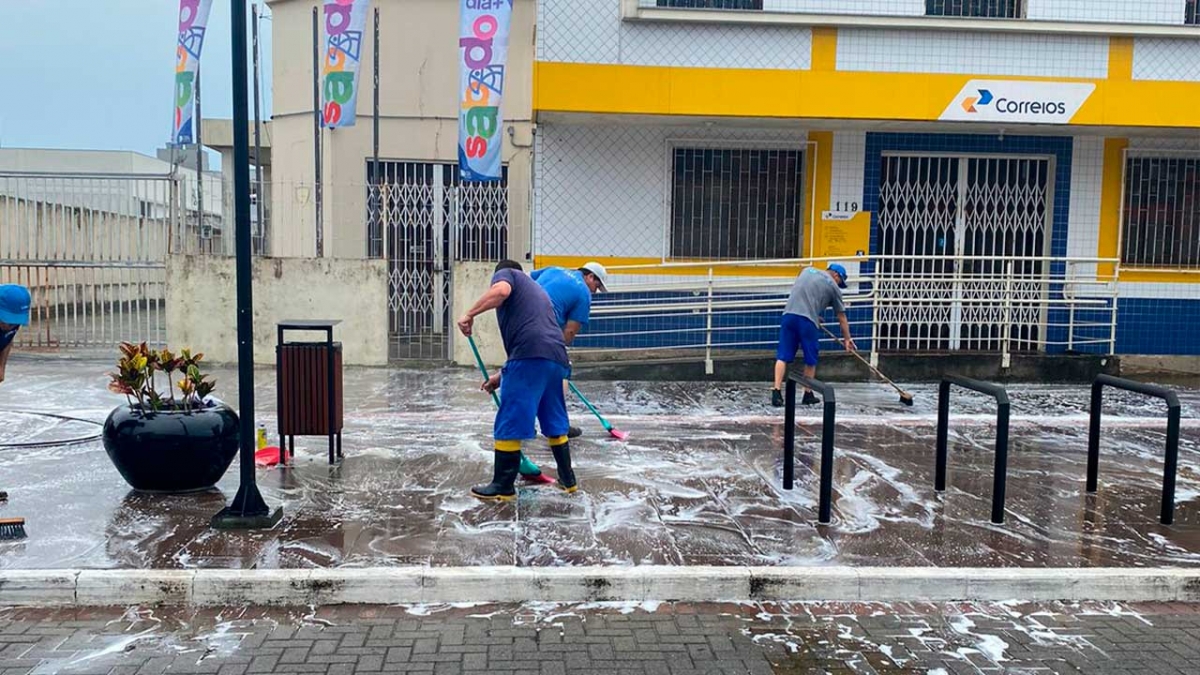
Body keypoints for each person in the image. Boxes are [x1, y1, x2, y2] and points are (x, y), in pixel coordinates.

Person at [457, 260, 578, 501]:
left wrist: (469, 314)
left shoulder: (508, 273)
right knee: (554, 420)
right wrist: (501, 377)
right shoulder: (537, 293)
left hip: (530, 356)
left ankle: (503, 485)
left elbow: (501, 291)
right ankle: (568, 481)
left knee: (510, 418)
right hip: (556, 359)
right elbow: (536, 342)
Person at [530, 262, 609, 438]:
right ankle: (558, 424)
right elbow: (570, 332)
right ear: (590, 276)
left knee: (526, 371)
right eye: (596, 286)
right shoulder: (583, 293)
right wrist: (559, 353)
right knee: (562, 370)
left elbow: (528, 279)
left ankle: (524, 424)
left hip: (519, 321)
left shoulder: (554, 269)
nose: (595, 292)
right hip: (542, 330)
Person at [771, 264, 856, 407]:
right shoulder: (833, 287)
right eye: (840, 282)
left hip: (788, 316)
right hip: (807, 322)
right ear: (836, 276)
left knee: (783, 356)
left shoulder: (807, 270)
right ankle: (807, 393)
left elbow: (805, 293)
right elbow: (841, 317)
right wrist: (847, 339)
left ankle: (776, 392)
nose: (839, 285)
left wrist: (813, 313)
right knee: (810, 358)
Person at [0, 284, 31, 387]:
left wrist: (1, 367)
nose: (9, 326)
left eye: (14, 321)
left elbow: (7, 339)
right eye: (6, 319)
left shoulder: (13, 323)